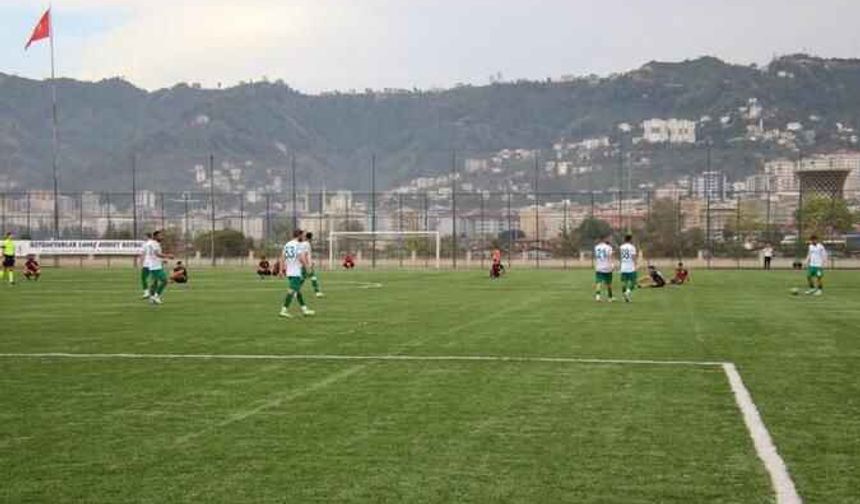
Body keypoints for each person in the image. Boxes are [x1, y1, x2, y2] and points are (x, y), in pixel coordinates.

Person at [279, 229, 315, 318]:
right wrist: (307, 268)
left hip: (289, 272)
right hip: (295, 272)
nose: (303, 237)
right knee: (292, 291)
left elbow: (282, 258)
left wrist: (281, 270)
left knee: (297, 291)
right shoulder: (298, 245)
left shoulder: (287, 244)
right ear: (299, 235)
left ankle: (305, 309)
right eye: (302, 235)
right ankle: (284, 310)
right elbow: (301, 257)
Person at [144, 230, 174, 305]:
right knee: (164, 281)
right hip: (155, 266)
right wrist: (168, 256)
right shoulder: (154, 244)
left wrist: (162, 261)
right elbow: (157, 254)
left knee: (154, 283)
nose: (162, 237)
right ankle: (156, 296)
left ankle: (151, 298)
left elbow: (153, 255)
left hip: (153, 265)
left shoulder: (152, 243)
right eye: (160, 236)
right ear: (155, 236)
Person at [301, 232, 324, 298]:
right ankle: (317, 292)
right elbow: (305, 254)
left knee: (304, 278)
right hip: (306, 264)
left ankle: (295, 291)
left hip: (304, 263)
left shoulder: (304, 244)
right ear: (310, 238)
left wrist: (311, 261)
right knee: (312, 277)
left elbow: (306, 254)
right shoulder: (307, 244)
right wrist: (308, 264)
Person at [593, 235, 615, 302]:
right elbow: (610, 257)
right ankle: (610, 297)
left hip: (599, 267)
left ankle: (597, 296)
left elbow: (596, 257)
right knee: (608, 283)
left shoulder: (596, 247)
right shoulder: (609, 247)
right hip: (607, 267)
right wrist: (612, 264)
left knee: (598, 282)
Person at [619, 234, 637, 303]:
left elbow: (621, 257)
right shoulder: (632, 247)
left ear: (624, 239)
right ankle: (627, 293)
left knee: (624, 282)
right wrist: (636, 264)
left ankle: (625, 297)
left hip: (623, 266)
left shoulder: (621, 247)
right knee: (634, 282)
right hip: (630, 267)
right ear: (630, 239)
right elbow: (633, 257)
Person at [139, 233, 153, 298]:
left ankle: (146, 293)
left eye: (144, 236)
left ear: (147, 237)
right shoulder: (154, 243)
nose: (143, 237)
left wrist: (141, 263)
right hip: (154, 263)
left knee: (143, 277)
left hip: (147, 264)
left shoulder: (145, 244)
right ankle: (153, 294)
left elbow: (142, 254)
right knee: (153, 278)